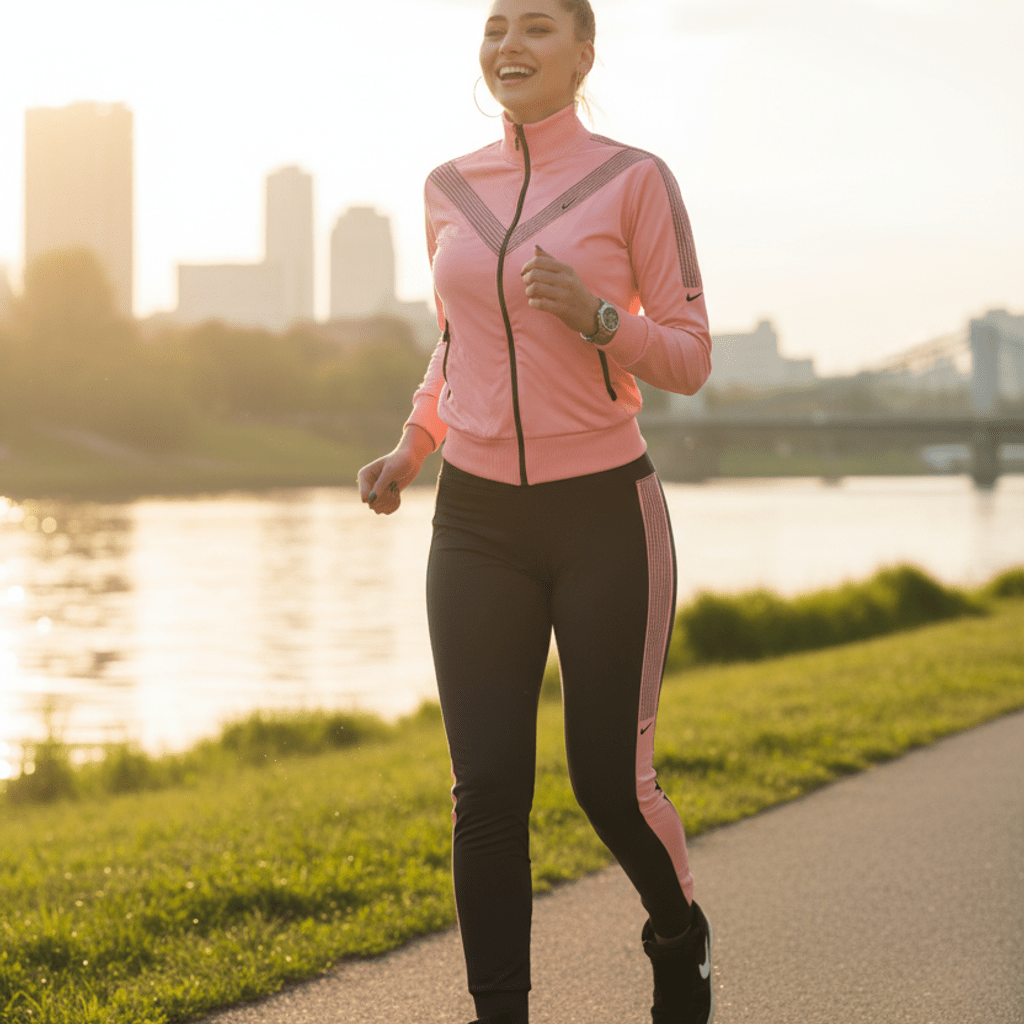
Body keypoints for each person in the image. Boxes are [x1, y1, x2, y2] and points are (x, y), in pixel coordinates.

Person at [357, 1, 714, 1021]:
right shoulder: (446, 190)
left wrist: (600, 319)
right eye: (495, 27)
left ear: (582, 54)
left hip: (604, 511)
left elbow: (687, 354)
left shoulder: (632, 180)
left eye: (538, 28)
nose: (509, 45)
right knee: (486, 793)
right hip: (474, 521)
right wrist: (409, 448)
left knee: (610, 785)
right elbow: (454, 345)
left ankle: (678, 934)